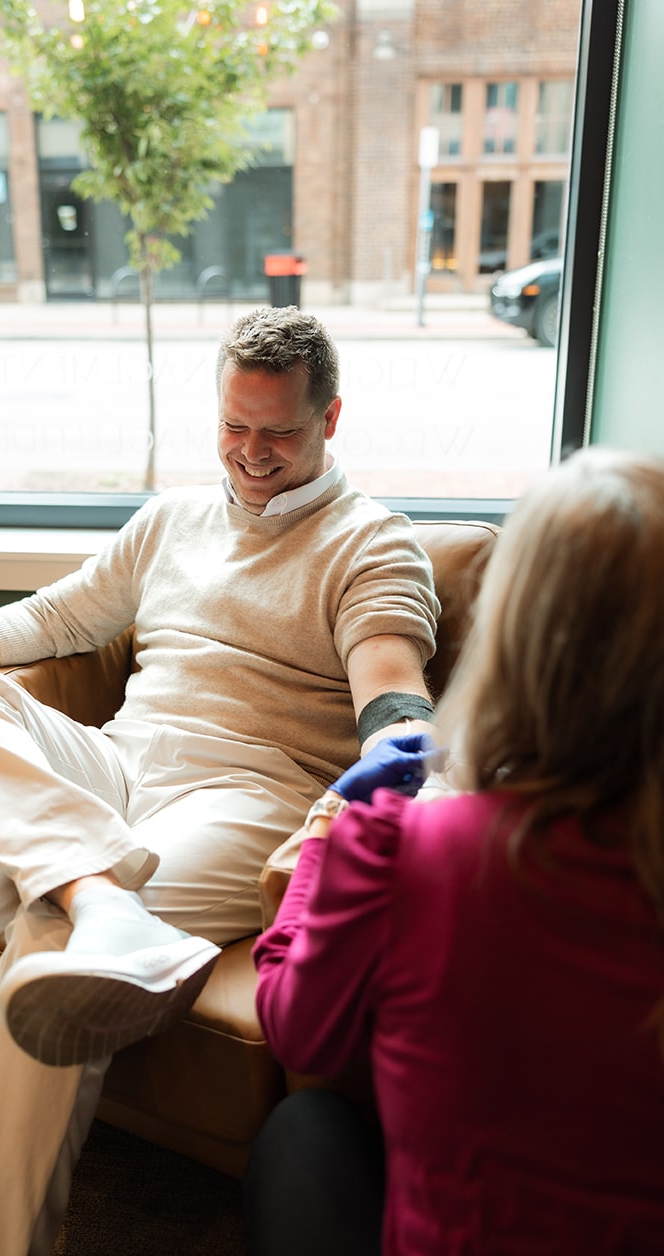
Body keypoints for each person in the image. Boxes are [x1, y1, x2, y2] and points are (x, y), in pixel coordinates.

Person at [0, 306, 440, 1256]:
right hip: (117, 768)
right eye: (234, 426)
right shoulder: (174, 518)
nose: (251, 452)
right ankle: (98, 890)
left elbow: (392, 692)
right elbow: (51, 619)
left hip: (247, 797)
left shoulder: (373, 544)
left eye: (278, 430)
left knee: (49, 939)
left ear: (330, 418)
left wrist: (399, 761)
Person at [247, 446, 664, 1256]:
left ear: (515, 636)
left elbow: (295, 1031)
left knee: (304, 1128)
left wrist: (328, 833)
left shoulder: (403, 854)